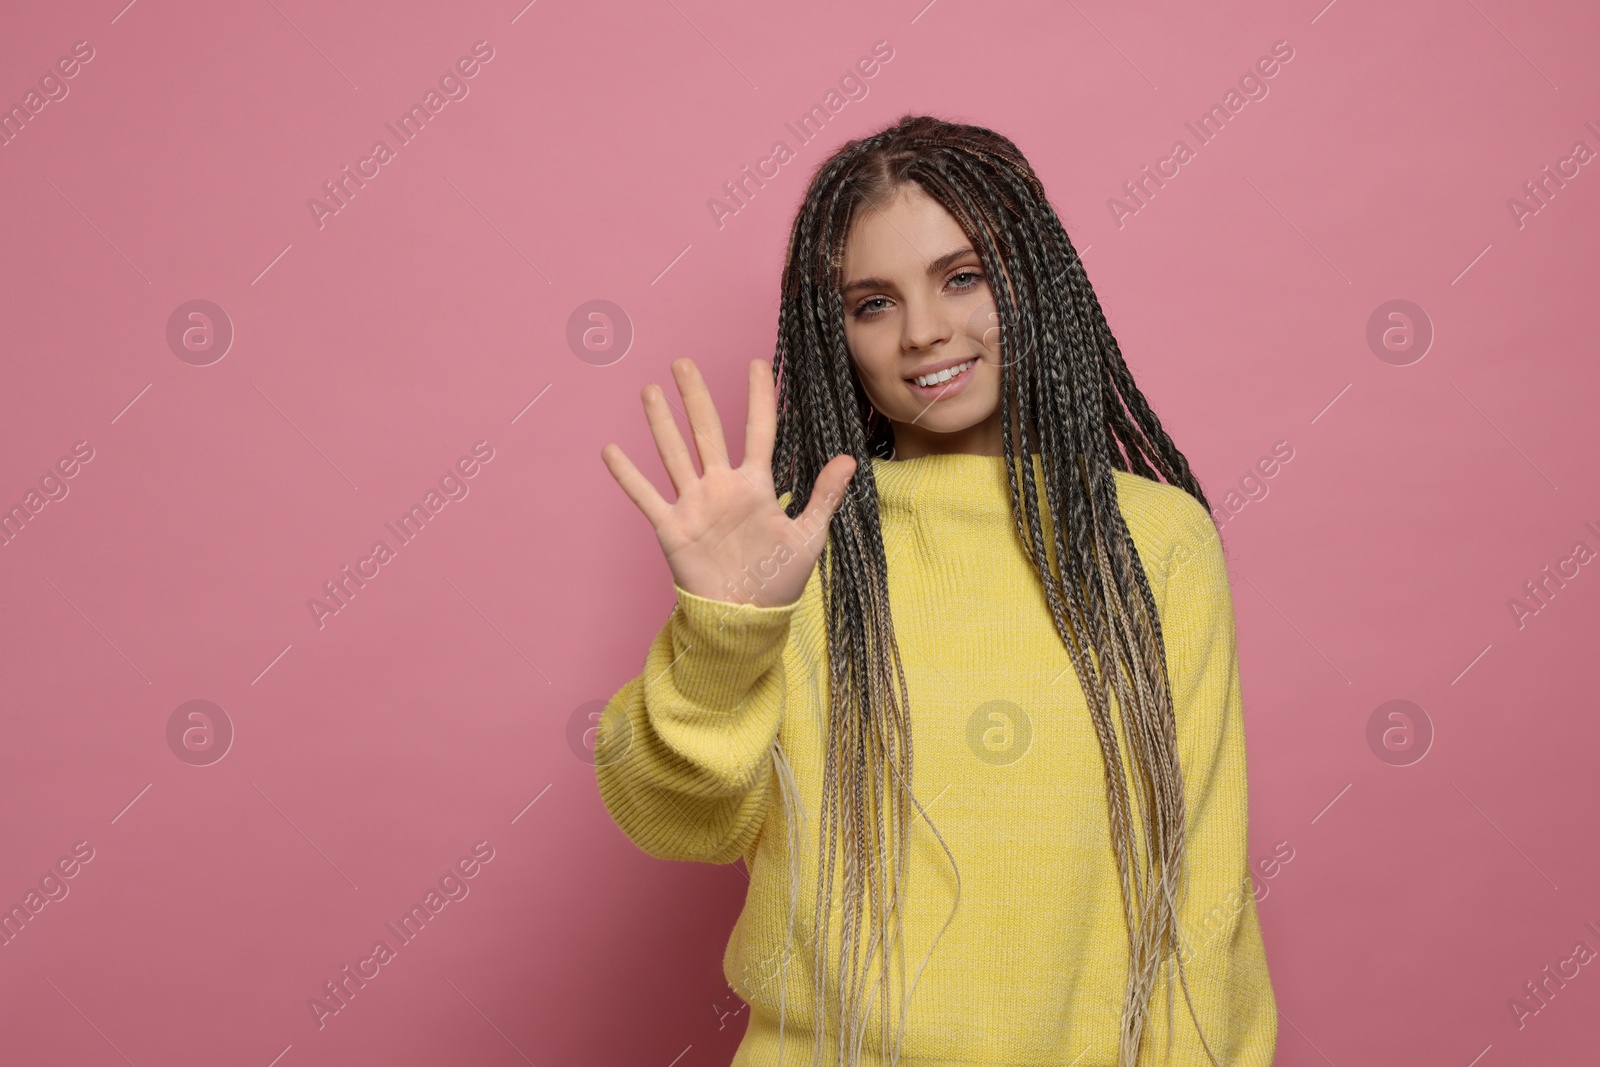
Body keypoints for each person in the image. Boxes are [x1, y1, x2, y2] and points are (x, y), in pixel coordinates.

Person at [595, 113, 1278, 1066]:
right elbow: (679, 822)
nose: (923, 331)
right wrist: (728, 629)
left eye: (964, 277)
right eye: (872, 303)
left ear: (1032, 284)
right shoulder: (796, 550)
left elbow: (1203, 900)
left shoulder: (1157, 542)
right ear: (835, 335)